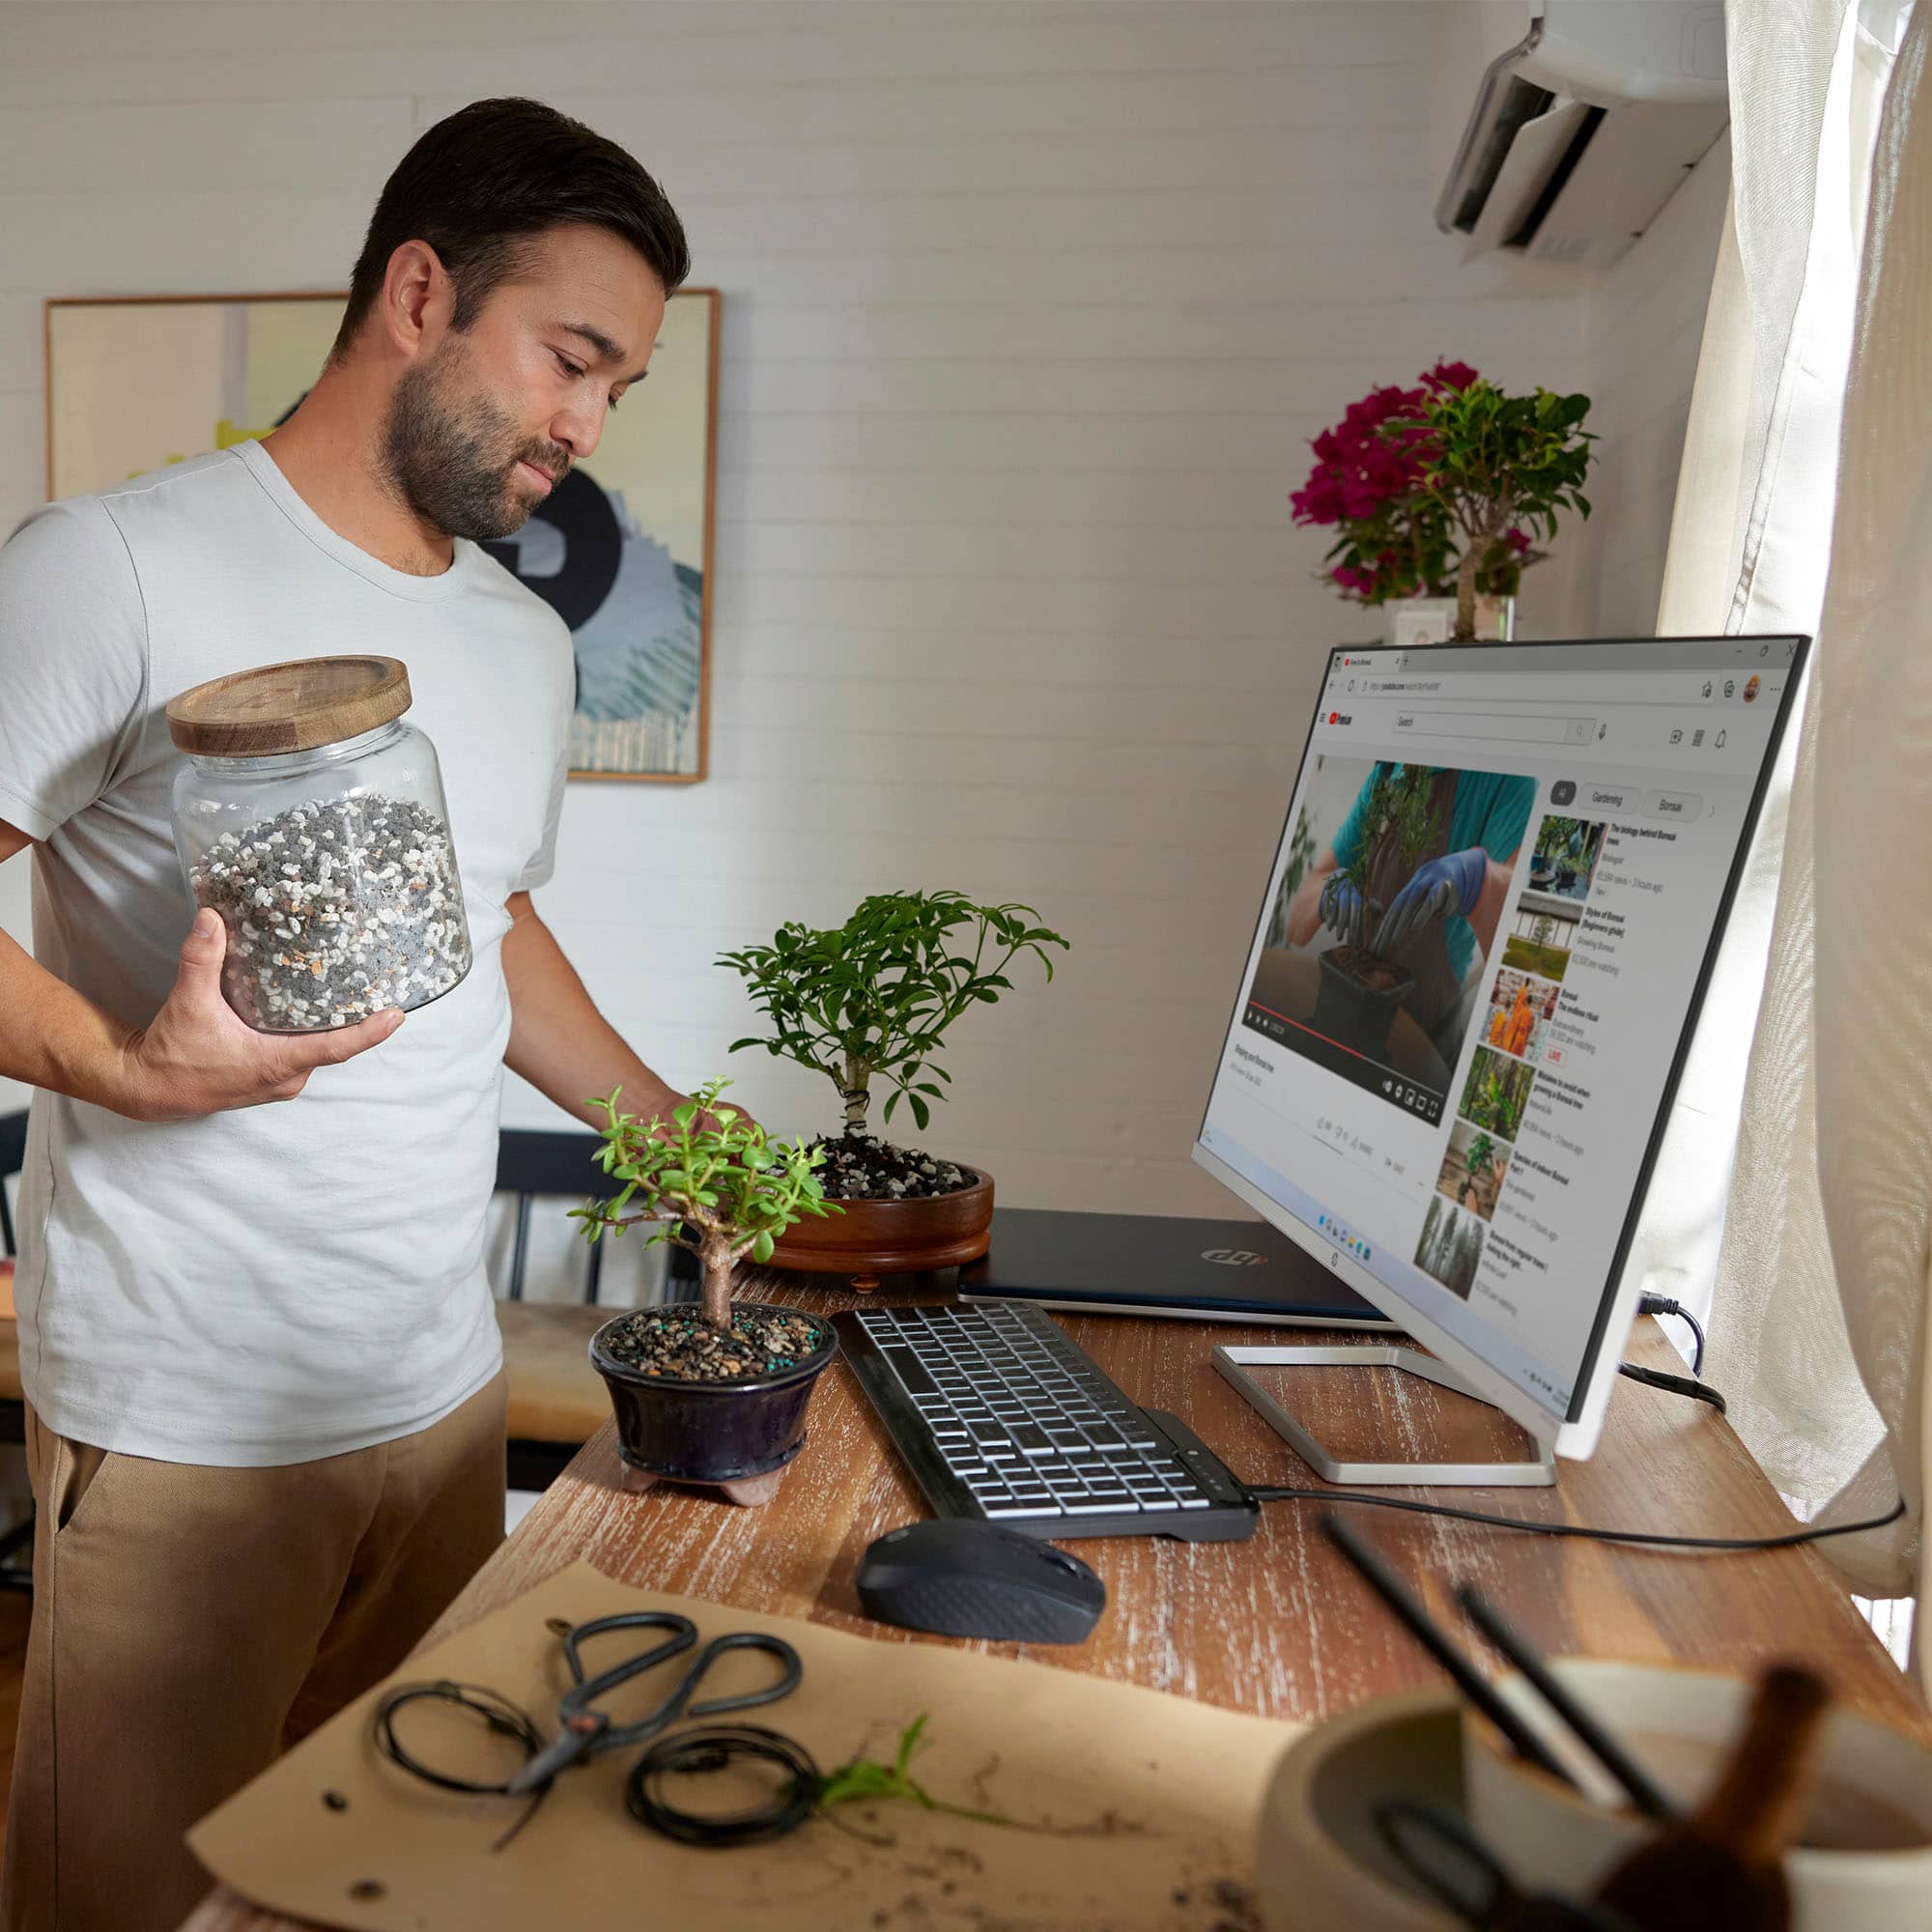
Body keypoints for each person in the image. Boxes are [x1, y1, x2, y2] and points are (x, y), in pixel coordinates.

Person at [0, 99, 702, 1932]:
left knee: (381, 1901)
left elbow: (494, 919)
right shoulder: (109, 565)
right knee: (134, 1910)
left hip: (438, 1390)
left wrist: (667, 1126)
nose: (586, 427)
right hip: (185, 1417)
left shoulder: (516, 639)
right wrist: (125, 1070)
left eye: (617, 389)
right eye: (573, 360)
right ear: (418, 291)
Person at [1285, 763, 1534, 1060]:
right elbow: (1296, 929)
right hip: (1344, 1014)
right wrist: (1328, 888)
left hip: (1424, 1037)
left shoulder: (1507, 783)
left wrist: (1482, 882)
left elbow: (1523, 982)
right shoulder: (1389, 773)